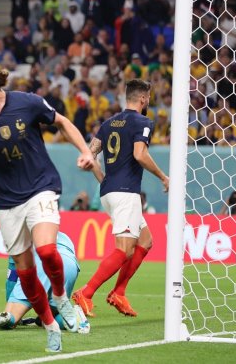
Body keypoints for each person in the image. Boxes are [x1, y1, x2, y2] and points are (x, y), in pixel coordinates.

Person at [0, 58, 95, 353]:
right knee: (26, 272)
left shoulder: (27, 102)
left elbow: (62, 122)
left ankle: (60, 297)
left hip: (41, 188)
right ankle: (50, 325)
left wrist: (86, 151)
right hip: (8, 202)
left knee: (47, 250)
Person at [72, 79, 169, 318]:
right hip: (125, 193)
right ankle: (86, 293)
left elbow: (90, 154)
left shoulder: (108, 123)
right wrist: (163, 176)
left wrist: (101, 177)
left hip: (109, 191)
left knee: (145, 241)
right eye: (149, 97)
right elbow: (139, 154)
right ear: (144, 98)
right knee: (124, 250)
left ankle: (119, 292)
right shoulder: (143, 121)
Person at [0, 232, 89, 333]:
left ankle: (8, 317)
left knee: (12, 317)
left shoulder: (20, 236)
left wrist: (11, 304)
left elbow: (12, 275)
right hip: (69, 267)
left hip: (42, 265)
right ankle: (73, 315)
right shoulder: (63, 236)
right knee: (47, 320)